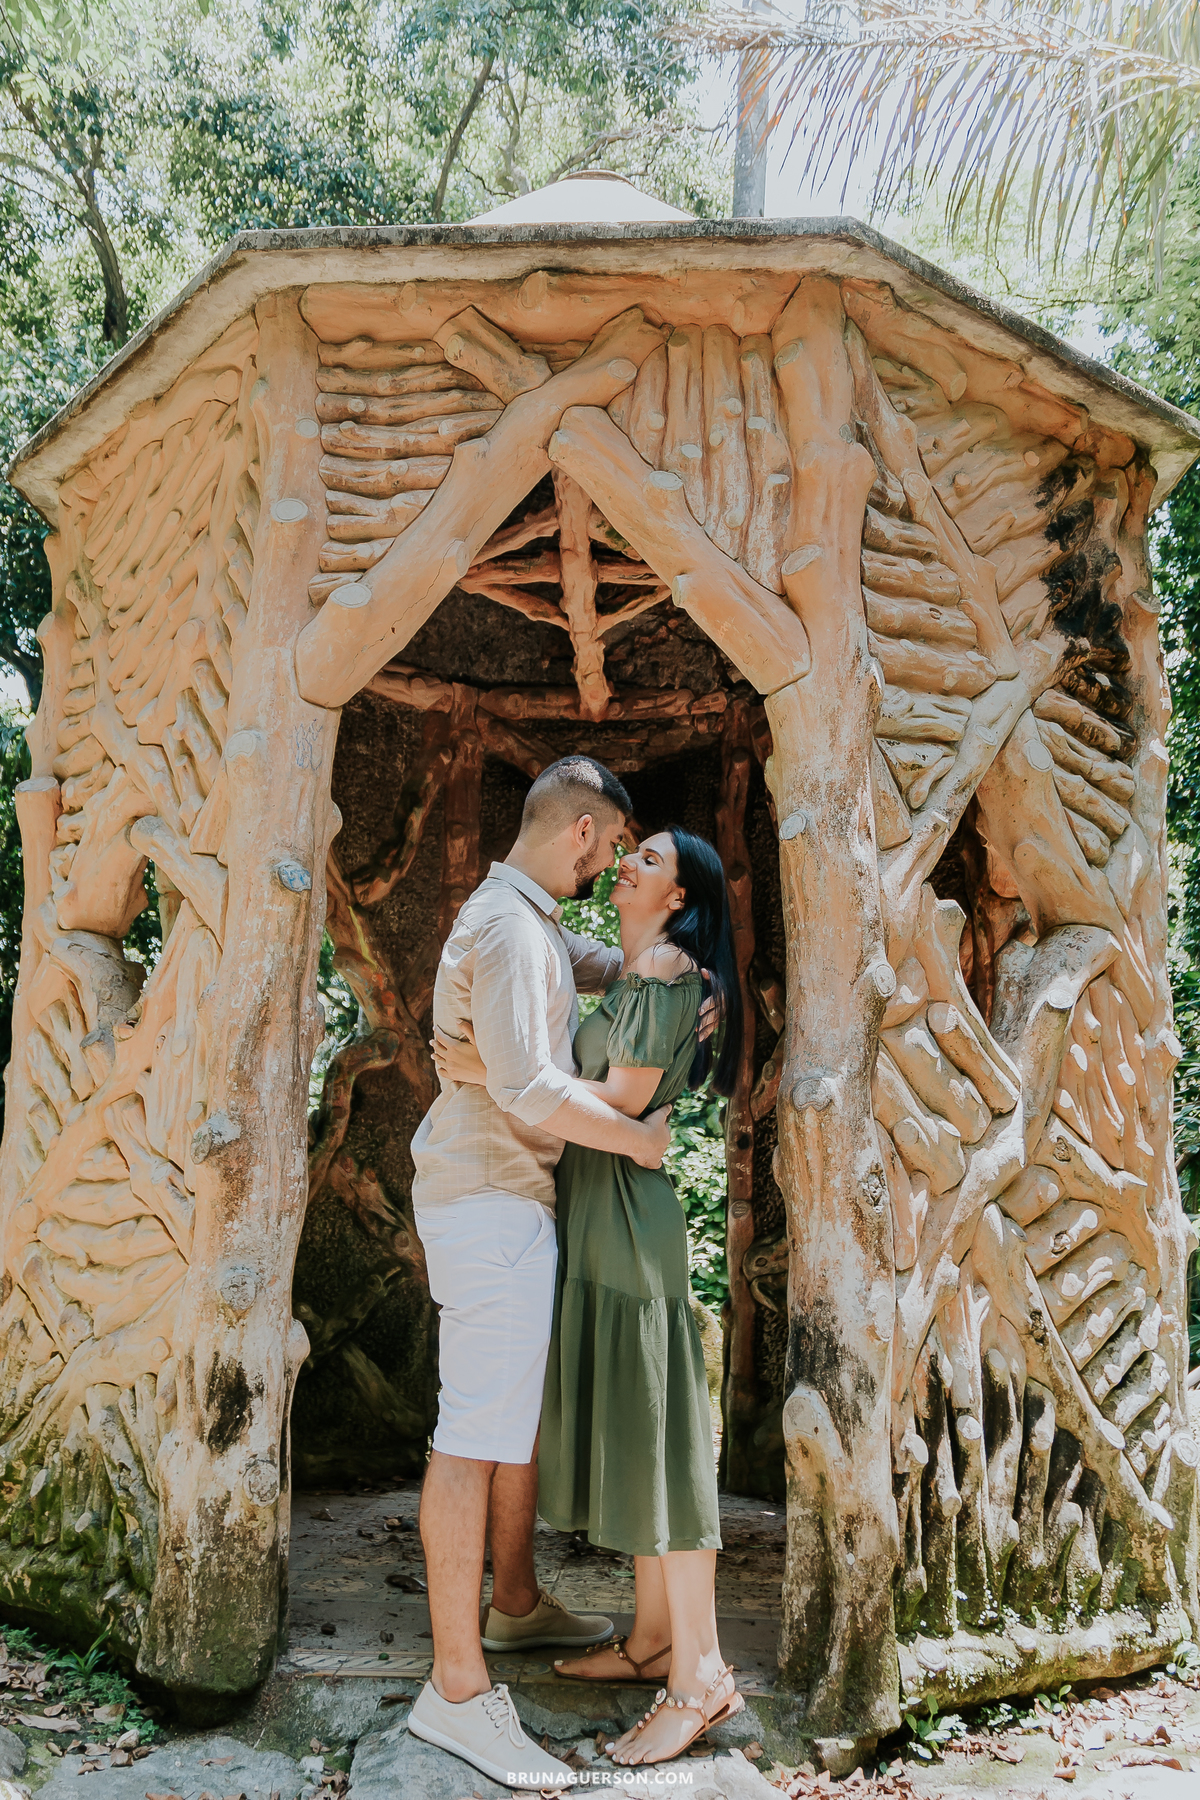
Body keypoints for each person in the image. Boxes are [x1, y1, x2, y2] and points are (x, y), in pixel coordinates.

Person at [435, 824, 746, 1768]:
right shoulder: (637, 965)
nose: (628, 862)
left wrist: (497, 1073)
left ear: (681, 896)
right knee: (637, 1430)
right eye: (626, 849)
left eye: (648, 857)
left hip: (628, 1218)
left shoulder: (665, 973)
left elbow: (621, 1103)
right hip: (600, 1212)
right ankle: (654, 1639)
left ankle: (700, 1677)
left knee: (662, 1442)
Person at [406, 755, 675, 1792]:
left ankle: (512, 1606)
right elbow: (524, 1085)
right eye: (610, 848)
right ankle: (458, 1694)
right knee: (473, 1434)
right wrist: (633, 1137)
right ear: (581, 833)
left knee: (506, 1421)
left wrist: (642, 968)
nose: (609, 865)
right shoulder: (512, 926)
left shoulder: (520, 916)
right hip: (490, 1193)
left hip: (501, 1196)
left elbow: (578, 961)